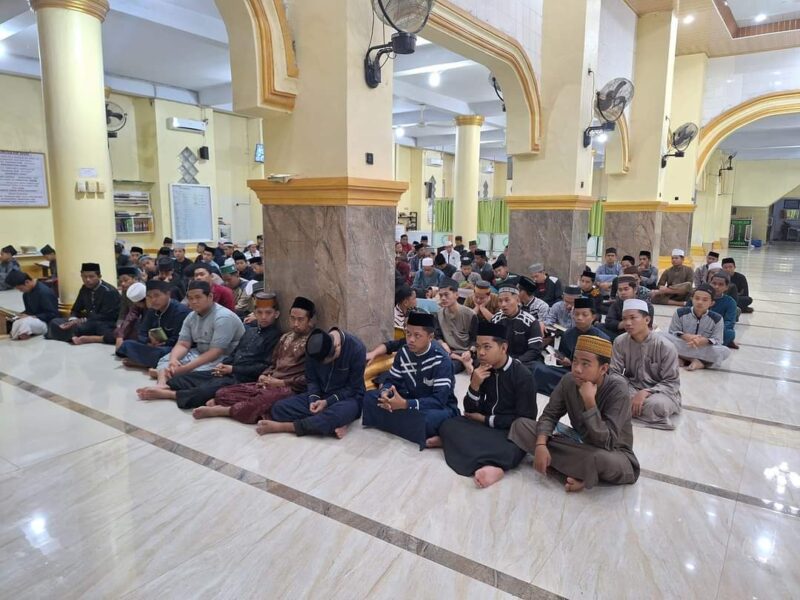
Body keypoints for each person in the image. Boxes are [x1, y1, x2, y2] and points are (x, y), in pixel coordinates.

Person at [509, 335, 639, 493]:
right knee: (521, 425)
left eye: (585, 364)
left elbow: (607, 442)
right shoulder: (569, 380)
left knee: (598, 459)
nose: (577, 369)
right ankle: (576, 470)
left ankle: (581, 474)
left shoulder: (618, 390)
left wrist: (590, 402)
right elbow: (550, 415)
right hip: (578, 443)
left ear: (603, 369)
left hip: (613, 453)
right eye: (575, 361)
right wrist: (541, 444)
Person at [438, 321, 537, 488]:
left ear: (503, 348)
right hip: (482, 425)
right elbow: (470, 410)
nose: (481, 353)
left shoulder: (523, 376)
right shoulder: (481, 369)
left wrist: (485, 420)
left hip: (508, 431)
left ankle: (493, 466)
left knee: (514, 449)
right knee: (448, 424)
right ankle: (486, 460)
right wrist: (474, 385)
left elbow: (526, 421)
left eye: (487, 347)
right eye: (478, 347)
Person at [137, 292, 281, 407]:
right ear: (255, 313)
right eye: (259, 312)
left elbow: (264, 367)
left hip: (243, 377)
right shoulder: (250, 331)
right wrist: (224, 365)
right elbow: (236, 352)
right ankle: (169, 387)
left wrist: (233, 369)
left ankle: (170, 395)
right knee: (179, 380)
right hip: (228, 370)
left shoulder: (276, 337)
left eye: (268, 313)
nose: (263, 317)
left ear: (276, 314)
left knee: (207, 389)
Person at [197, 296, 315, 422]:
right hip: (269, 383)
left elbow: (310, 377)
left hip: (288, 388)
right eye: (292, 318)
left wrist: (281, 383)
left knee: (263, 401)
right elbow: (273, 363)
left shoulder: (314, 342)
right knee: (222, 393)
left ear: (310, 320)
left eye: (300, 319)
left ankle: (226, 411)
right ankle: (239, 407)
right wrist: (264, 375)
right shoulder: (285, 337)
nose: (295, 323)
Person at [362, 312, 459, 449]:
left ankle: (429, 433)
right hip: (410, 398)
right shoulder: (403, 353)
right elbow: (391, 380)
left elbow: (439, 400)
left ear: (430, 337)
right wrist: (385, 393)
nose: (411, 340)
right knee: (370, 398)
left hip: (436, 407)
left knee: (426, 420)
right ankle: (418, 432)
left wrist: (406, 404)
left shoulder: (442, 360)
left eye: (417, 335)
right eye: (408, 333)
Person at [137, 281, 245, 394]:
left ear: (210, 297)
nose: (194, 301)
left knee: (197, 373)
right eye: (190, 298)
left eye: (198, 297)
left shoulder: (223, 317)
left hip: (224, 357)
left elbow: (215, 352)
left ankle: (166, 377)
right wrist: (174, 360)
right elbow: (183, 344)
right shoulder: (191, 316)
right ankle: (162, 384)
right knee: (166, 360)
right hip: (199, 352)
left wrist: (186, 368)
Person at [258, 327, 366, 439]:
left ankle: (285, 427)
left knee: (339, 412)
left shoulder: (356, 349)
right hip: (321, 394)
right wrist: (314, 400)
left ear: (337, 346)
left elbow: (353, 388)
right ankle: (329, 422)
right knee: (279, 409)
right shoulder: (313, 346)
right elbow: (312, 379)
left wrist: (327, 402)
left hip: (347, 398)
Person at [610, 298, 681, 430]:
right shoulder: (620, 341)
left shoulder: (665, 346)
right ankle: (636, 410)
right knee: (606, 392)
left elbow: (672, 382)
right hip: (631, 388)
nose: (627, 323)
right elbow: (614, 373)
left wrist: (645, 392)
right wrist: (632, 393)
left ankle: (629, 411)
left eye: (633, 318)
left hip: (660, 393)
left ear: (647, 320)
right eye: (624, 319)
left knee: (658, 406)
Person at [534, 297, 609, 396]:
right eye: (576, 314)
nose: (579, 318)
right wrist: (561, 359)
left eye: (584, 314)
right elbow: (562, 354)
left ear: (593, 317)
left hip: (589, 374)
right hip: (569, 372)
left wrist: (573, 364)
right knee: (540, 370)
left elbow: (603, 369)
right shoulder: (568, 333)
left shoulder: (602, 339)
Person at [116, 280, 190, 368]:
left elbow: (180, 340)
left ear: (168, 294)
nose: (153, 300)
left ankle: (142, 362)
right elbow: (142, 332)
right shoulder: (152, 310)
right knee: (127, 344)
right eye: (149, 297)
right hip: (152, 346)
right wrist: (148, 341)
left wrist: (163, 343)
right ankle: (148, 361)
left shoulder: (180, 311)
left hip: (170, 347)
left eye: (156, 295)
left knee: (163, 352)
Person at [46, 263, 121, 343]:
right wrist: (73, 320)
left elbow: (106, 316)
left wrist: (82, 320)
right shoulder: (84, 288)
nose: (87, 279)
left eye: (91, 276)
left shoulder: (109, 291)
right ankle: (73, 336)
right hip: (87, 321)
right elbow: (76, 309)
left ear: (99, 276)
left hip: (104, 323)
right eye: (84, 277)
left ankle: (76, 336)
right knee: (55, 322)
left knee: (81, 327)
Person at [666, 284, 731, 371]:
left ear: (711, 303)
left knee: (725, 351)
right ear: (692, 299)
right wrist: (685, 336)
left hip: (701, 348)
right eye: (697, 298)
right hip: (683, 344)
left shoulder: (717, 319)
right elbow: (672, 332)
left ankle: (682, 359)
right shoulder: (680, 313)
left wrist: (704, 341)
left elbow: (718, 340)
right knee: (660, 336)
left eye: (705, 300)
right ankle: (698, 362)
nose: (700, 302)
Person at [72, 281, 147, 347]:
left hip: (148, 334)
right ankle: (98, 339)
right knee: (120, 332)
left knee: (135, 339)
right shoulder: (137, 306)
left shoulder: (152, 306)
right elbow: (129, 318)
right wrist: (120, 335)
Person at [490, 280, 543, 371]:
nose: (503, 304)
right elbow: (489, 342)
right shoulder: (495, 319)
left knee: (536, 368)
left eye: (507, 300)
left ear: (518, 300)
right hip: (501, 360)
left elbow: (535, 350)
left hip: (522, 361)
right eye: (500, 301)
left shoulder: (531, 321)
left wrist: (516, 362)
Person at [435, 278, 478, 374]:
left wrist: (470, 352)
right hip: (448, 352)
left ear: (456, 295)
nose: (443, 298)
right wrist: (443, 344)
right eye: (441, 295)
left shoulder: (470, 314)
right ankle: (463, 362)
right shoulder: (439, 314)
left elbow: (475, 340)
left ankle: (465, 361)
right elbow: (438, 336)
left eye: (446, 295)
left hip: (466, 352)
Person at [4, 270, 60, 340]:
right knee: (17, 322)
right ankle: (17, 335)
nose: (20, 291)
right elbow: (29, 311)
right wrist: (21, 315)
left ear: (27, 282)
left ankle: (22, 336)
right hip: (35, 320)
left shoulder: (44, 292)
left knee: (25, 323)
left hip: (47, 323)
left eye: (21, 288)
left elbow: (53, 314)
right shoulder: (26, 294)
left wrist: (33, 316)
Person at [601, 276, 654, 341]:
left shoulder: (646, 305)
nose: (623, 292)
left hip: (638, 335)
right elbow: (609, 322)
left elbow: (648, 326)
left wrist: (631, 323)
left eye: (626, 289)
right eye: (620, 290)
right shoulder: (617, 304)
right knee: (598, 326)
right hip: (619, 333)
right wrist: (625, 323)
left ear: (635, 290)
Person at [707, 270, 738, 349]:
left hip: (718, 329)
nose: (716, 287)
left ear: (726, 287)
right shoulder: (701, 296)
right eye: (714, 283)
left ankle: (713, 347)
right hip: (699, 326)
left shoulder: (730, 302)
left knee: (729, 333)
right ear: (709, 284)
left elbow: (729, 322)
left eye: (721, 284)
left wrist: (715, 329)